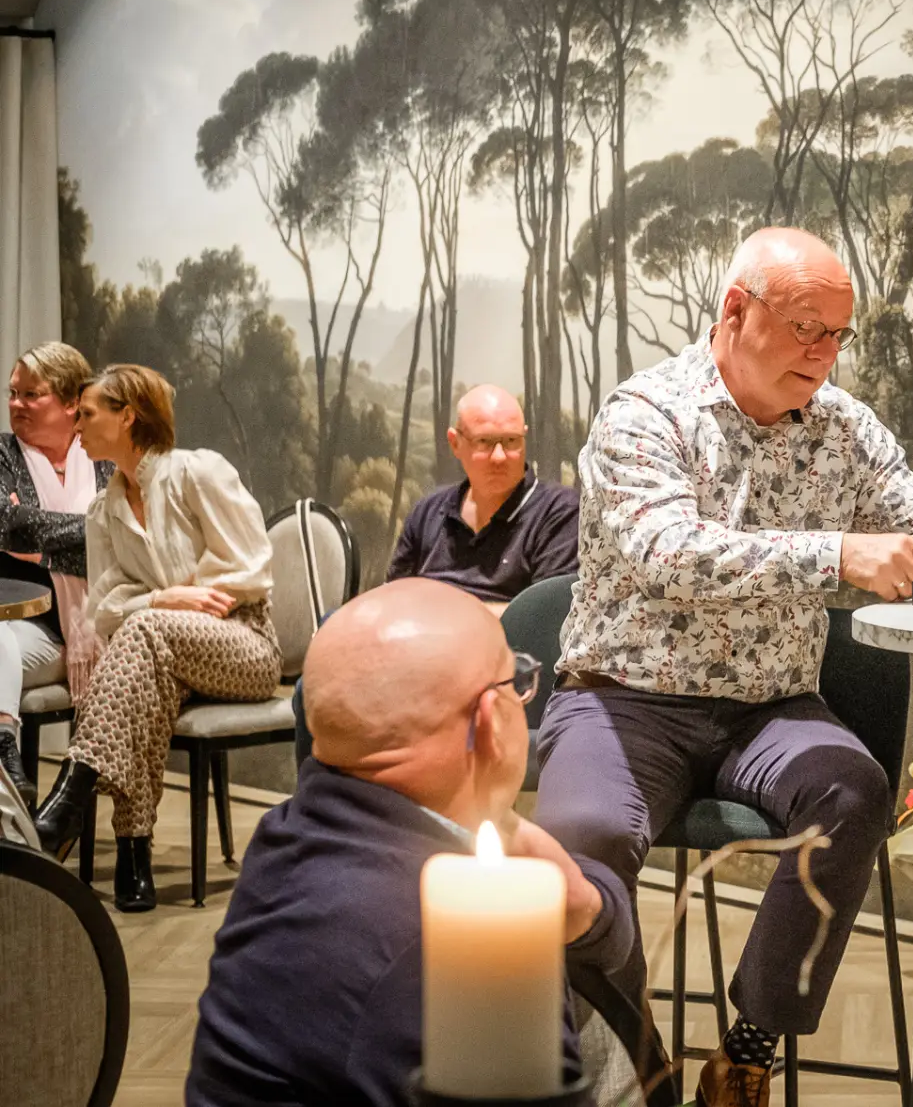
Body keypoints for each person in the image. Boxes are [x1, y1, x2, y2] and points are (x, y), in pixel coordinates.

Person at [538, 227, 913, 1106]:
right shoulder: (647, 412)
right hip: (624, 700)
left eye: (837, 334)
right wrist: (835, 555)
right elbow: (666, 553)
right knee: (583, 840)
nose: (823, 353)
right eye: (804, 328)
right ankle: (635, 1071)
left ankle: (748, 1050)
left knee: (853, 793)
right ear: (734, 311)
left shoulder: (843, 425)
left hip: (769, 706)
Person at [187, 579, 630, 1107]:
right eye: (517, 680)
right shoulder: (453, 942)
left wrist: (582, 899)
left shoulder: (290, 833)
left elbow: (594, 913)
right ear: (490, 720)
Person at [33, 364, 282, 912]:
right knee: (145, 670)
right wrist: (165, 599)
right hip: (164, 654)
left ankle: (74, 793)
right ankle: (132, 855)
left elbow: (252, 567)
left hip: (243, 643)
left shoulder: (197, 473)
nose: (77, 424)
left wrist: (174, 599)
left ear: (127, 416)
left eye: (87, 413)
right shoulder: (105, 511)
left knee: (144, 630)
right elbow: (102, 610)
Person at [0, 342, 111, 804]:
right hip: (22, 626)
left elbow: (121, 537)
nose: (16, 404)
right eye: (13, 393)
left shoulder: (104, 458)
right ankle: (5, 751)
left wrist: (42, 554)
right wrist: (91, 530)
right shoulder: (3, 454)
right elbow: (10, 525)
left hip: (93, 630)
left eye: (31, 394)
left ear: (70, 403)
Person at [386, 384, 578, 614]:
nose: (499, 457)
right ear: (455, 443)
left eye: (511, 440)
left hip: (503, 639)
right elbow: (391, 600)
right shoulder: (427, 511)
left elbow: (545, 618)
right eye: (484, 442)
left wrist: (439, 615)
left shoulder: (560, 512)